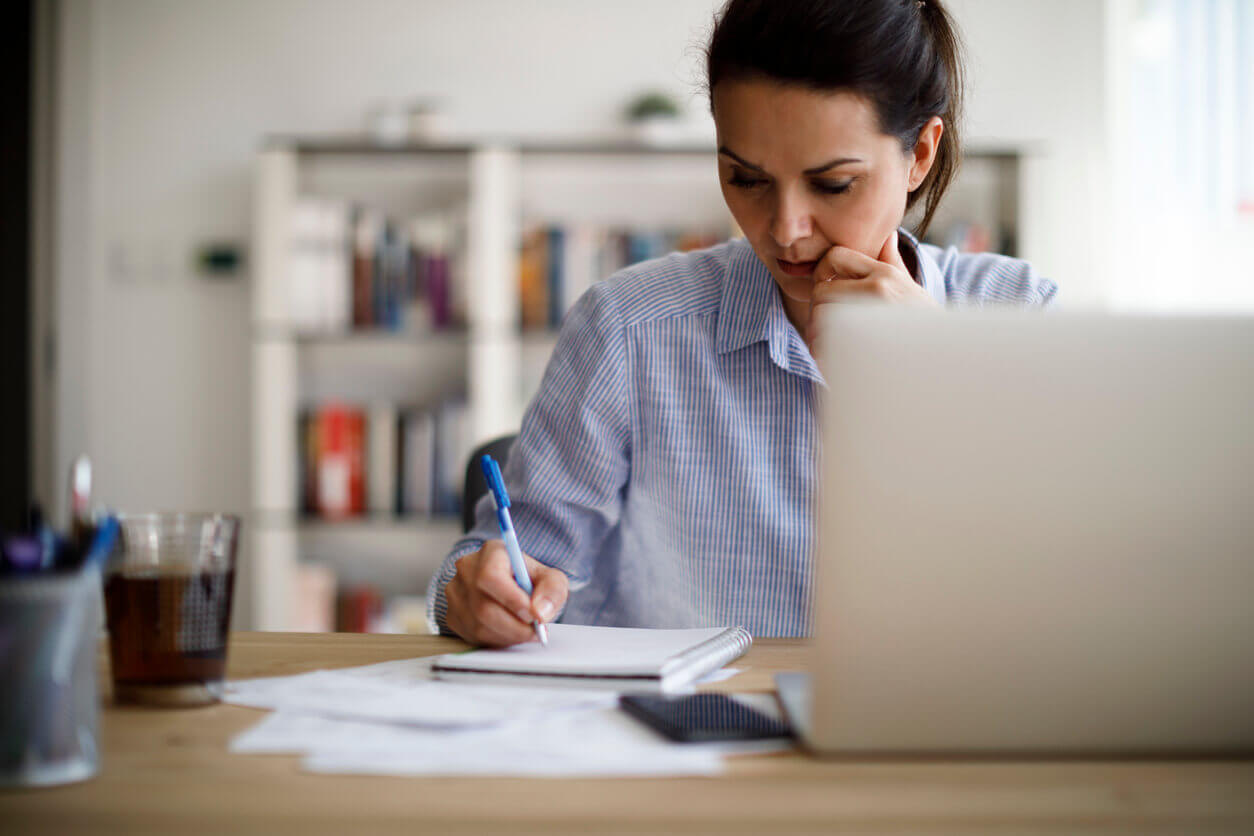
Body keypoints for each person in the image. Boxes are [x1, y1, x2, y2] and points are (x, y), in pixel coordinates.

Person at [427, 0, 1058, 646]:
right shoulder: (628, 330)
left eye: (833, 184)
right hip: (678, 733)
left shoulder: (1024, 320)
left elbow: (1069, 591)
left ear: (920, 154)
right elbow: (493, 564)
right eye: (746, 178)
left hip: (938, 735)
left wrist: (941, 375)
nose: (785, 231)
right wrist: (474, 593)